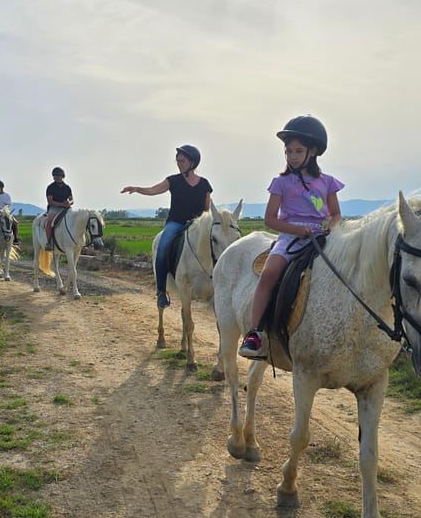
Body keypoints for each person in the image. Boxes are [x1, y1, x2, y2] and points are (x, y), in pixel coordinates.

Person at [238, 115, 343, 359]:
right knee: (269, 274)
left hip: (322, 236)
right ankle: (254, 334)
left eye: (298, 151)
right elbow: (270, 219)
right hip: (290, 238)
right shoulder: (281, 183)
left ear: (314, 151)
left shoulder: (327, 182)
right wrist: (298, 230)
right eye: (288, 151)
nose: (292, 156)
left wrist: (330, 225)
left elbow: (336, 213)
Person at [121, 144, 212, 309]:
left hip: (197, 225)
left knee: (215, 244)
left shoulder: (205, 184)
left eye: (182, 161)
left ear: (192, 162)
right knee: (162, 246)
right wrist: (137, 189)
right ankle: (162, 292)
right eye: (177, 161)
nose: (179, 163)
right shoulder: (173, 180)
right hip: (176, 223)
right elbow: (153, 190)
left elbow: (207, 209)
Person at [45, 167, 73, 251]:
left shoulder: (67, 187)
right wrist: (61, 204)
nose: (57, 177)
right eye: (55, 175)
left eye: (59, 175)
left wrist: (69, 203)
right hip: (54, 208)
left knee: (74, 220)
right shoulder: (50, 187)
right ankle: (49, 242)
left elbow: (72, 199)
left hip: (66, 208)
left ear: (62, 176)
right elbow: (50, 201)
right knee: (49, 222)